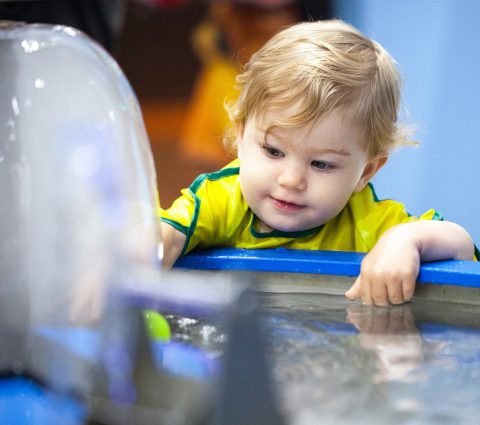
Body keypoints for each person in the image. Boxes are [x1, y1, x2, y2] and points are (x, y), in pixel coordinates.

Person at [160, 19, 475, 306]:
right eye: (273, 151)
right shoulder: (221, 201)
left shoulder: (368, 223)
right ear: (241, 137)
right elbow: (164, 238)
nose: (291, 180)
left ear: (367, 171)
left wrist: (408, 240)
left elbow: (462, 247)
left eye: (321, 164)